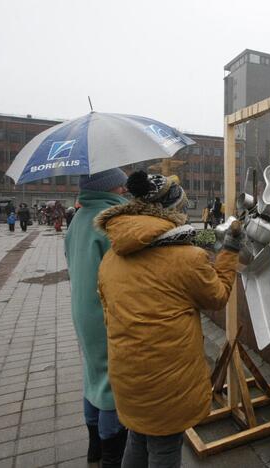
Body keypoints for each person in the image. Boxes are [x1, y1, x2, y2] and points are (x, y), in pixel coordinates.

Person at [95, 171, 240, 468]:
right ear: (171, 211)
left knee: (137, 436)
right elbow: (217, 296)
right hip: (167, 381)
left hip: (127, 375)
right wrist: (231, 251)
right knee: (165, 447)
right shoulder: (186, 258)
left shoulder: (113, 255)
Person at [65, 169, 129, 467]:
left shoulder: (79, 217)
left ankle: (94, 447)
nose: (124, 187)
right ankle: (111, 455)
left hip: (83, 309)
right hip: (105, 312)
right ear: (109, 186)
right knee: (111, 385)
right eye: (120, 182)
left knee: (93, 376)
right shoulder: (108, 220)